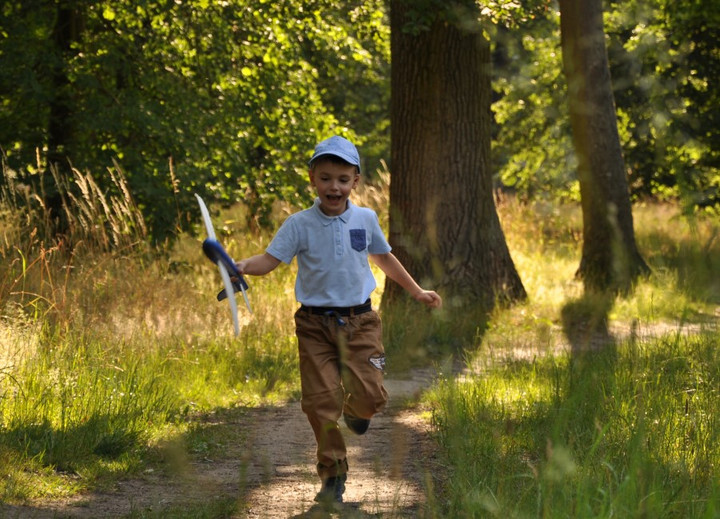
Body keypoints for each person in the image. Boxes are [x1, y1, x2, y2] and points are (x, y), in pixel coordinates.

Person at [235, 135, 442, 505]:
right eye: (326, 178)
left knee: (371, 398)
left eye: (343, 179)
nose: (334, 186)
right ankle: (333, 473)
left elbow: (384, 258)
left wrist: (416, 291)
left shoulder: (366, 218)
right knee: (319, 402)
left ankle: (356, 409)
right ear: (312, 178)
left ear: (355, 182)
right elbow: (268, 261)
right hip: (314, 327)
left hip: (361, 323)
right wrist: (240, 268)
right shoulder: (298, 224)